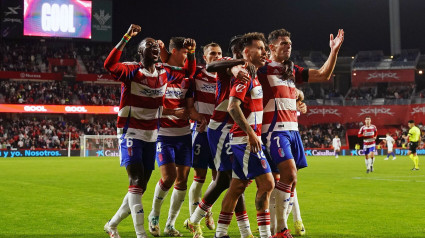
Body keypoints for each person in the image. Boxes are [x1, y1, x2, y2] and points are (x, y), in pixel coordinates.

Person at [258, 28, 344, 237]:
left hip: (293, 131)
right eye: (283, 43)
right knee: (288, 175)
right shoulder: (262, 69)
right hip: (274, 131)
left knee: (289, 181)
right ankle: (281, 228)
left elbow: (323, 75)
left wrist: (333, 51)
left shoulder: (290, 70)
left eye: (290, 43)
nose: (288, 46)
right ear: (271, 47)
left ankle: (272, 228)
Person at [185, 36, 255, 238]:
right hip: (221, 127)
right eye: (247, 49)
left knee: (236, 180)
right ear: (238, 51)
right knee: (225, 180)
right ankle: (195, 220)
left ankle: (244, 231)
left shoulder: (249, 67)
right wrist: (236, 64)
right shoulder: (227, 65)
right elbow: (214, 65)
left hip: (235, 126)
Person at [103, 24, 169, 238]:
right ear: (141, 52)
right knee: (135, 180)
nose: (155, 49)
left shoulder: (163, 73)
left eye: (156, 46)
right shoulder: (131, 70)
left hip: (152, 134)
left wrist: (166, 50)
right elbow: (109, 64)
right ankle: (140, 234)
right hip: (130, 132)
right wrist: (127, 36)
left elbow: (185, 67)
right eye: (149, 46)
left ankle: (111, 225)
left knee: (141, 186)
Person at [215, 32, 275, 238]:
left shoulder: (254, 74)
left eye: (265, 48)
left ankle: (220, 233)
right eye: (260, 48)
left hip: (244, 138)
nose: (264, 52)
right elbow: (233, 107)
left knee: (237, 186)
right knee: (267, 184)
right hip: (244, 138)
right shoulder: (244, 75)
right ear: (246, 52)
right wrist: (250, 133)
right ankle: (265, 234)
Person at [148, 37, 205, 237]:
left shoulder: (187, 79)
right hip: (163, 134)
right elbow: (150, 105)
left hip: (183, 135)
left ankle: (170, 225)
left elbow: (189, 108)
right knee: (169, 177)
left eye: (190, 53)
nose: (187, 56)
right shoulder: (158, 72)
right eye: (185, 52)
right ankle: (154, 215)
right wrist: (171, 113)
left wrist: (200, 117)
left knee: (182, 181)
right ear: (174, 52)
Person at [187, 42, 222, 230]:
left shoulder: (226, 76)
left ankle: (207, 210)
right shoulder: (197, 75)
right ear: (205, 57)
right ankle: (196, 224)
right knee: (199, 177)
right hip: (201, 134)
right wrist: (197, 117)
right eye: (212, 54)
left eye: (219, 53)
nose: (216, 57)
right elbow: (189, 104)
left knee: (219, 179)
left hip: (220, 135)